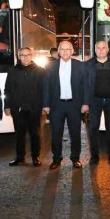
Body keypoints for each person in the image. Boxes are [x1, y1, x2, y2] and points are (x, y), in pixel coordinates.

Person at [42, 41, 89, 170]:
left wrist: (85, 103)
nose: (65, 52)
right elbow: (46, 87)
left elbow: (86, 86)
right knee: (56, 133)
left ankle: (75, 158)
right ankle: (56, 158)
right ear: (58, 51)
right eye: (62, 49)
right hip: (56, 105)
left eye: (68, 49)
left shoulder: (81, 66)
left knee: (75, 133)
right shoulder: (51, 66)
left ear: (72, 51)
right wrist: (46, 104)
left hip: (75, 105)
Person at [4, 47, 45, 167]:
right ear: (19, 57)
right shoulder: (12, 71)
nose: (25, 57)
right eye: (23, 55)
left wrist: (45, 106)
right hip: (17, 108)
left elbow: (44, 90)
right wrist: (7, 106)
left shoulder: (40, 71)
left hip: (34, 108)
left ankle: (35, 157)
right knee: (19, 135)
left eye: (28, 55)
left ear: (32, 56)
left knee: (35, 134)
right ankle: (19, 157)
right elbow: (8, 90)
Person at [85, 41, 110, 164]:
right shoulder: (88, 65)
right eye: (98, 48)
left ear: (108, 50)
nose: (101, 50)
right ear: (95, 50)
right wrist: (85, 102)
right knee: (93, 128)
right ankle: (94, 155)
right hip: (94, 101)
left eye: (103, 48)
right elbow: (84, 86)